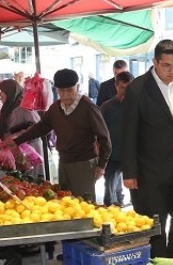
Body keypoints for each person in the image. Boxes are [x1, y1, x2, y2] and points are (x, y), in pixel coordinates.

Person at [121, 40, 173, 259]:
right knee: (156, 218)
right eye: (167, 65)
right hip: (151, 166)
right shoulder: (137, 89)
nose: (172, 70)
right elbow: (128, 133)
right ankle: (159, 261)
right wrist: (129, 172)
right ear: (155, 62)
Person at [6, 69, 111, 200]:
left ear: (77, 87)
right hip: (64, 162)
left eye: (70, 90)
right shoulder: (55, 108)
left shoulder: (88, 107)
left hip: (83, 163)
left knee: (84, 203)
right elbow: (41, 127)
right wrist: (17, 141)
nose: (66, 95)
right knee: (65, 200)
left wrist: (101, 165)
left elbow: (104, 137)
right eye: (62, 91)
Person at [0, 79, 44, 178]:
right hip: (13, 151)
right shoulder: (5, 108)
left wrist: (18, 136)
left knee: (30, 181)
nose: (0, 94)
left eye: (2, 92)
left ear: (10, 92)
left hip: (28, 152)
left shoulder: (25, 107)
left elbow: (37, 127)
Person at [100, 71, 132, 206]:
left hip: (132, 155)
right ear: (116, 86)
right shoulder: (107, 107)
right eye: (122, 88)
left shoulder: (138, 106)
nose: (125, 92)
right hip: (112, 155)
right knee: (109, 191)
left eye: (128, 88)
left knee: (138, 191)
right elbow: (99, 132)